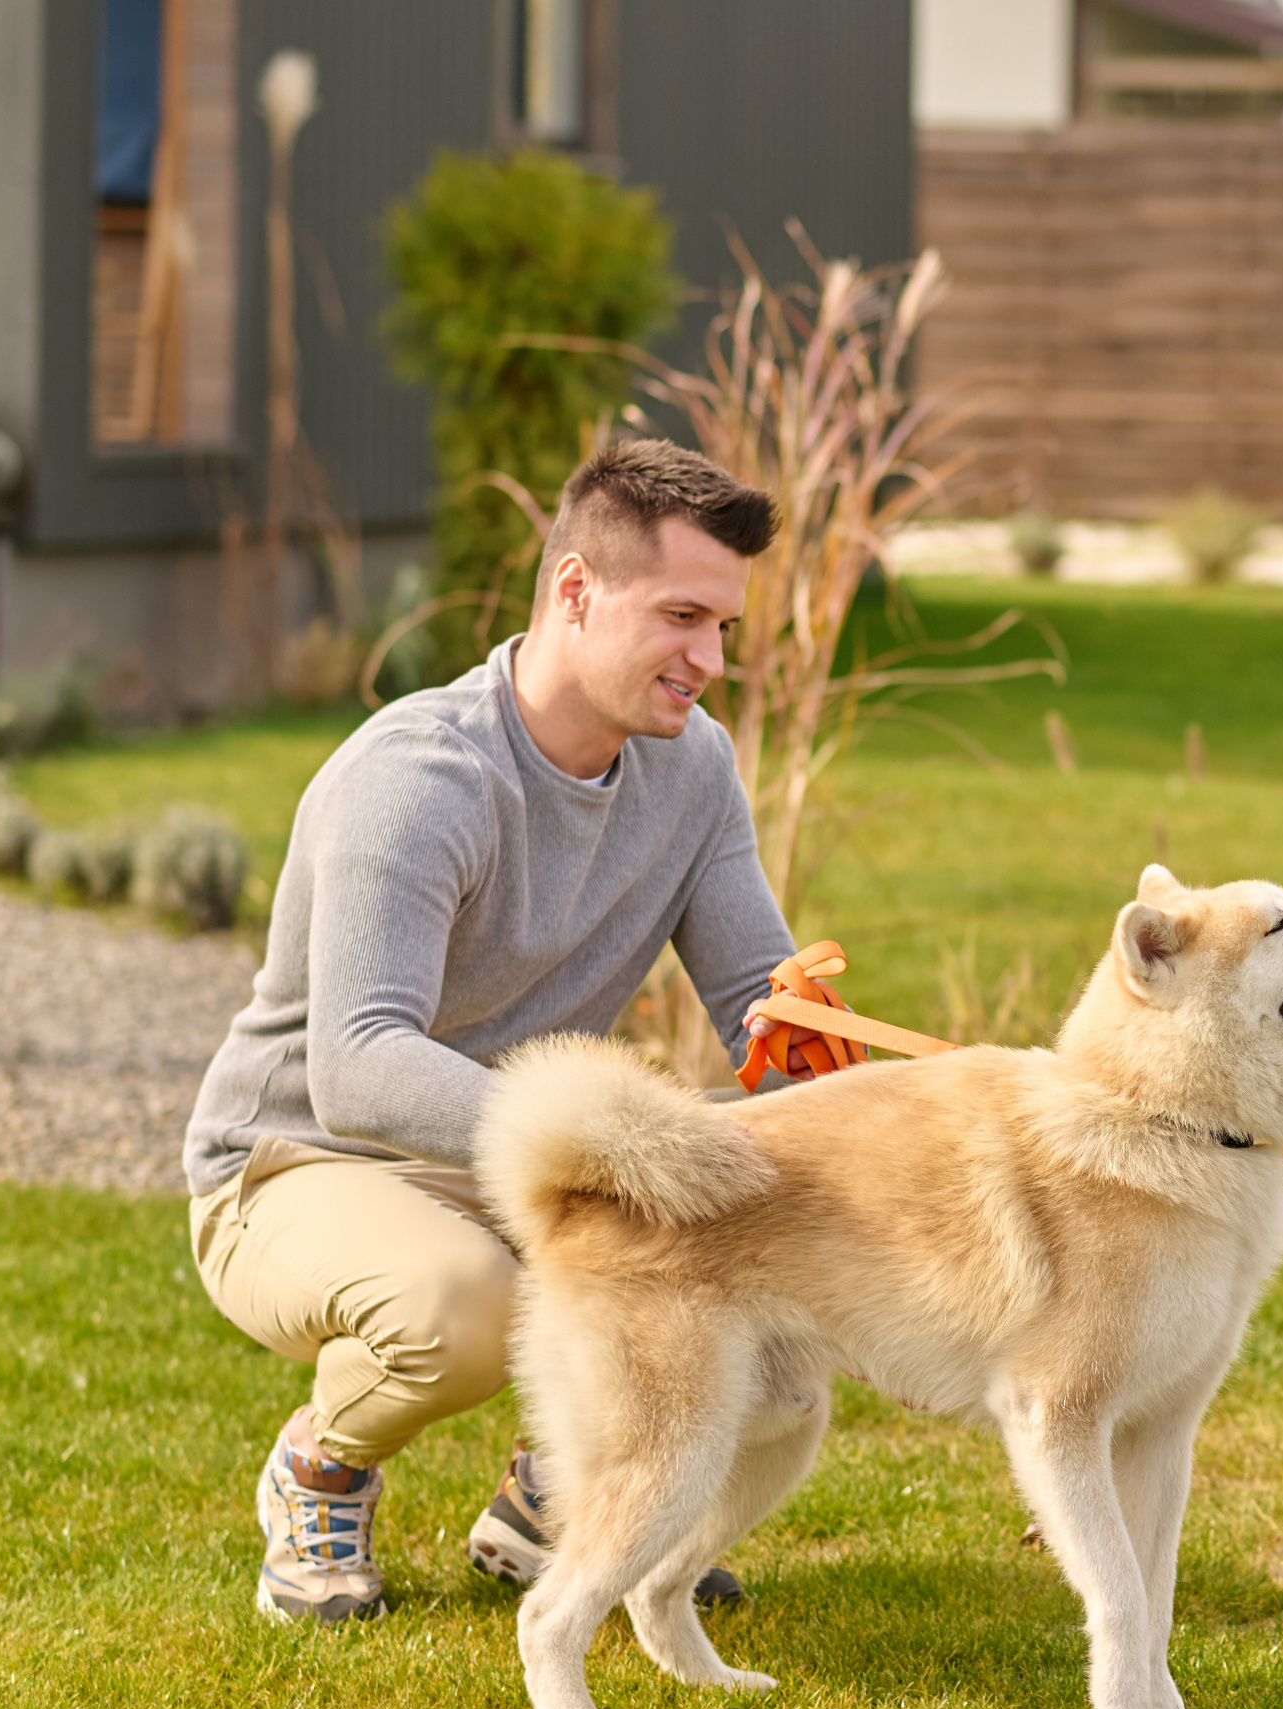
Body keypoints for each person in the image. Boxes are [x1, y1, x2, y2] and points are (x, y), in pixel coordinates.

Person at [184, 437, 823, 1625]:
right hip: (298, 1162)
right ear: (574, 592)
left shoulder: (692, 773)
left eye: (724, 627)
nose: (712, 660)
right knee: (458, 1309)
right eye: (683, 616)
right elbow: (360, 1066)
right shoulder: (420, 778)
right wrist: (621, 1138)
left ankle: (562, 1500)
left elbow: (755, 995)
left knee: (791, 1252)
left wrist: (799, 1039)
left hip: (518, 1155)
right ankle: (319, 1465)